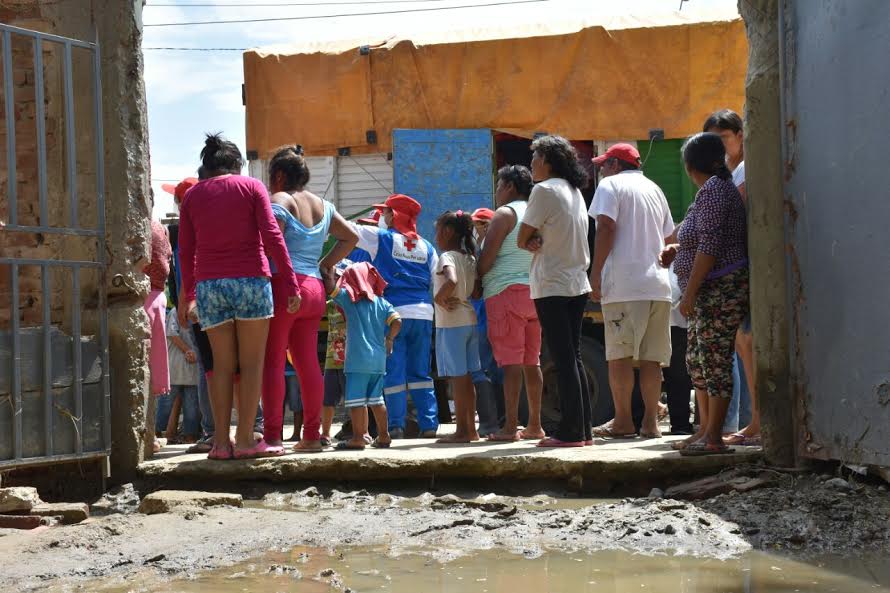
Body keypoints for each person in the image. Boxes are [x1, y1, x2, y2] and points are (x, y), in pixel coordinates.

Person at [178, 133, 300, 460]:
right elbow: (272, 236)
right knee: (251, 364)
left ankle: (220, 443)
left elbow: (185, 251)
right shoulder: (252, 187)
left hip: (209, 287)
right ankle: (246, 439)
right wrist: (290, 281)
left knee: (221, 366)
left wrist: (188, 295)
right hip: (251, 282)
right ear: (236, 164)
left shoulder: (191, 196)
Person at [261, 145, 358, 453]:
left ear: (278, 175)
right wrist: (327, 264)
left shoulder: (279, 200)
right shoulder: (323, 205)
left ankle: (273, 436)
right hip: (315, 289)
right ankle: (312, 436)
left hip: (284, 287)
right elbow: (351, 236)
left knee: (273, 362)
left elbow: (272, 242)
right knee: (307, 364)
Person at [660, 132, 748, 456]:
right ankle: (705, 431)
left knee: (714, 361)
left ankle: (714, 436)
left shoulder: (713, 191)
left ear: (689, 165)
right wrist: (678, 250)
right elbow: (704, 239)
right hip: (709, 290)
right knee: (698, 360)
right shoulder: (710, 192)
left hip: (719, 288)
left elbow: (710, 248)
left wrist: (689, 295)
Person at [588, 143, 675, 439]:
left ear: (614, 164)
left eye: (603, 164)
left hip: (624, 285)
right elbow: (670, 237)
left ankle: (623, 421)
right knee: (652, 359)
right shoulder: (655, 189)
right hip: (659, 285)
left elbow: (606, 227)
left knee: (620, 356)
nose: (600, 170)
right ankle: (650, 423)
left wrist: (596, 272)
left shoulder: (610, 186)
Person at [517, 136, 592, 448]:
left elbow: (522, 237)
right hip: (576, 282)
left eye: (535, 159)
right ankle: (583, 430)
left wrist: (531, 241)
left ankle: (571, 432)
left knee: (563, 359)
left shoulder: (544, 190)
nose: (532, 165)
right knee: (572, 358)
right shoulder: (574, 191)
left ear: (547, 161)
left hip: (552, 284)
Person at [354, 194, 439, 439]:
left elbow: (347, 229)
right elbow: (435, 279)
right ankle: (429, 424)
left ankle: (396, 426)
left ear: (396, 215)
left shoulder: (381, 238)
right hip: (424, 314)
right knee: (421, 372)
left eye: (387, 211)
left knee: (394, 371)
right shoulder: (427, 247)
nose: (384, 216)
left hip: (393, 315)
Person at [703, 109, 759, 447]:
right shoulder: (733, 173)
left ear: (740, 135)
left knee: (748, 342)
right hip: (743, 266)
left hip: (745, 267)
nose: (719, 146)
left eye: (723, 138)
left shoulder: (742, 173)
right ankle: (756, 421)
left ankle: (758, 422)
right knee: (744, 342)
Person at [477, 165, 545, 442]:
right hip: (535, 292)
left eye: (498, 185)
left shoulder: (504, 214)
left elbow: (488, 257)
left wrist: (476, 277)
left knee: (510, 362)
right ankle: (535, 425)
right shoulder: (535, 212)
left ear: (508, 187)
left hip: (505, 292)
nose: (496, 192)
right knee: (533, 361)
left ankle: (510, 427)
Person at [325, 262, 400, 450]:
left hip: (357, 360)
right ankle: (383, 436)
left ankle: (358, 437)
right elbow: (397, 320)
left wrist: (328, 269)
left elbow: (330, 288)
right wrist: (389, 338)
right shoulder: (382, 302)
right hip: (378, 360)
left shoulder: (349, 300)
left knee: (357, 401)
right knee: (377, 400)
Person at [432, 210, 482, 443]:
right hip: (469, 319)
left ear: (448, 231)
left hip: (451, 324)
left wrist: (439, 298)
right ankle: (470, 429)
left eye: (437, 230)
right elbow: (476, 290)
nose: (436, 236)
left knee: (458, 379)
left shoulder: (447, 257)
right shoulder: (469, 257)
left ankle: (463, 431)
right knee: (468, 378)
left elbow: (450, 279)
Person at [138, 219, 172, 454]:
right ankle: (149, 436)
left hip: (143, 296)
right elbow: (166, 260)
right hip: (156, 297)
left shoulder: (142, 226)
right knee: (150, 372)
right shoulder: (159, 227)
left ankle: (148, 436)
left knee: (144, 372)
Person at [468, 207, 502, 438]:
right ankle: (498, 420)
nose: (476, 229)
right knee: (496, 366)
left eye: (480, 224)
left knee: (483, 368)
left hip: (485, 315)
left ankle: (491, 423)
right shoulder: (483, 249)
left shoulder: (486, 251)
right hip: (489, 313)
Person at [158, 306, 201, 443]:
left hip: (189, 369)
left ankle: (190, 437)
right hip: (177, 367)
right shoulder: (176, 311)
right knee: (167, 405)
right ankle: (156, 435)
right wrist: (189, 351)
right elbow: (171, 333)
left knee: (191, 407)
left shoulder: (181, 310)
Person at [664, 265, 694, 434]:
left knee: (677, 375)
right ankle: (681, 424)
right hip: (674, 319)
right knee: (677, 375)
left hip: (676, 320)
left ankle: (681, 424)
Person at [321, 287, 347, 447]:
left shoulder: (354, 304)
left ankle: (361, 432)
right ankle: (325, 434)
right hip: (332, 360)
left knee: (354, 399)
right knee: (327, 399)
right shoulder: (330, 305)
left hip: (350, 360)